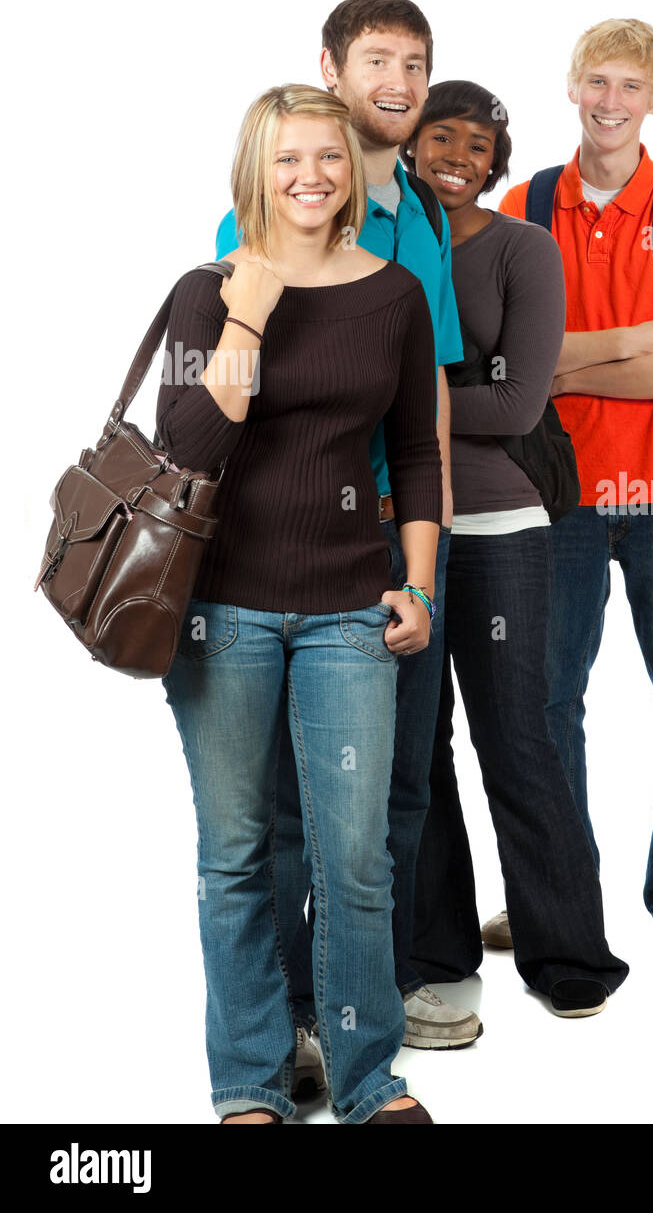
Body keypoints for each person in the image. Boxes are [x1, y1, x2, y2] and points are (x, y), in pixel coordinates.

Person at [160, 84, 438, 1122]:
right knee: (235, 857)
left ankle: (370, 1080)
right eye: (287, 160)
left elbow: (415, 455)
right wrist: (249, 309)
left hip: (347, 611)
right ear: (255, 173)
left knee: (354, 858)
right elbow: (192, 442)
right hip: (220, 614)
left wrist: (414, 583)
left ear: (353, 169)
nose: (311, 176)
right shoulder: (207, 291)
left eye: (328, 156)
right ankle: (251, 1084)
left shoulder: (394, 296)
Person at [215, 0, 478, 1070]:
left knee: (398, 781)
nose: (400, 84)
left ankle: (375, 990)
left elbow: (432, 384)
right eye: (378, 61)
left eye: (416, 66)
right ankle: (295, 1017)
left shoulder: (417, 212)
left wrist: (435, 516)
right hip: (296, 549)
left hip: (401, 537)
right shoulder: (268, 215)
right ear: (329, 68)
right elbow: (236, 397)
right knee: (287, 807)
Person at [498, 19, 653, 965]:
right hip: (555, 491)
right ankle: (557, 889)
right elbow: (510, 359)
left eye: (630, 85)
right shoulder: (523, 204)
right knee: (547, 701)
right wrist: (627, 339)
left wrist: (570, 366)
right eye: (596, 80)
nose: (611, 101)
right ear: (570, 86)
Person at [402, 81, 629, 1015]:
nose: (457, 153)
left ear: (497, 161)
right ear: (410, 146)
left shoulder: (521, 250)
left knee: (519, 737)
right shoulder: (378, 242)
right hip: (395, 529)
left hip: (497, 526)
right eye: (439, 135)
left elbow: (518, 405)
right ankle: (442, 962)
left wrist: (407, 409)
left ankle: (569, 955)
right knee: (415, 752)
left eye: (477, 142)